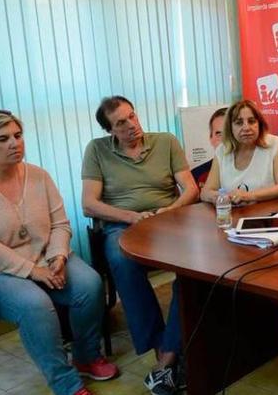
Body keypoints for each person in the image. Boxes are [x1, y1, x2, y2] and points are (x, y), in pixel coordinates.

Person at [0, 110, 118, 395]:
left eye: (18, 135)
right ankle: (66, 383)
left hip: (43, 257)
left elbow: (60, 224)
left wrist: (58, 257)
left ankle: (86, 357)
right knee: (35, 305)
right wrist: (32, 271)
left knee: (89, 284)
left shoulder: (38, 175)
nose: (15, 143)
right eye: (3, 139)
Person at [81, 96, 199, 395]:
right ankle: (164, 351)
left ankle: (167, 359)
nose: (132, 125)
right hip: (123, 225)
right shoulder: (97, 150)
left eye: (132, 116)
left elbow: (191, 189)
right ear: (110, 130)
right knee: (123, 263)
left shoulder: (165, 142)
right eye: (121, 122)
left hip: (169, 221)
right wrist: (131, 217)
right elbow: (89, 204)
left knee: (190, 268)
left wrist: (169, 210)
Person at [200, 100, 278, 204]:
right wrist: (221, 197)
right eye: (239, 123)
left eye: (252, 121)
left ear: (259, 124)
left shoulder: (274, 144)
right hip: (233, 216)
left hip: (267, 214)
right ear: (230, 128)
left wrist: (248, 196)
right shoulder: (222, 151)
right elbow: (205, 193)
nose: (246, 128)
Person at [190, 107, 227, 187]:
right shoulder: (196, 175)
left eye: (230, 133)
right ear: (211, 139)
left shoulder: (256, 170)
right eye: (219, 134)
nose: (225, 140)